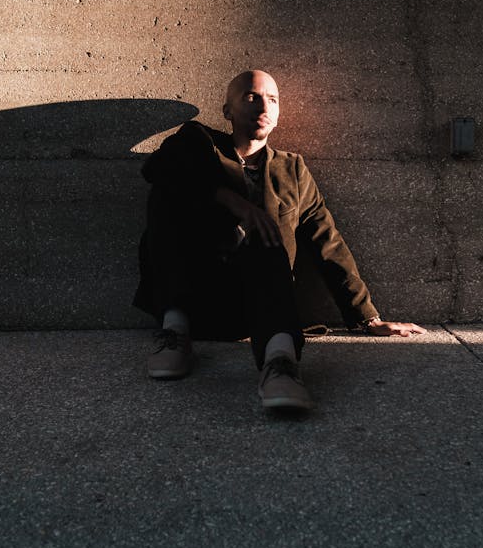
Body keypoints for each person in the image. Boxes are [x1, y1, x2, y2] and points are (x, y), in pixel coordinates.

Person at [133, 70, 424, 410]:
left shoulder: (293, 169)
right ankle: (174, 334)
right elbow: (158, 169)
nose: (263, 105)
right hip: (197, 299)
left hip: (262, 309)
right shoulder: (197, 143)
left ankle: (281, 362)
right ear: (227, 111)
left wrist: (368, 317)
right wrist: (231, 200)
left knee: (267, 233)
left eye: (272, 99)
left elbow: (326, 240)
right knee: (166, 195)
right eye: (251, 96)